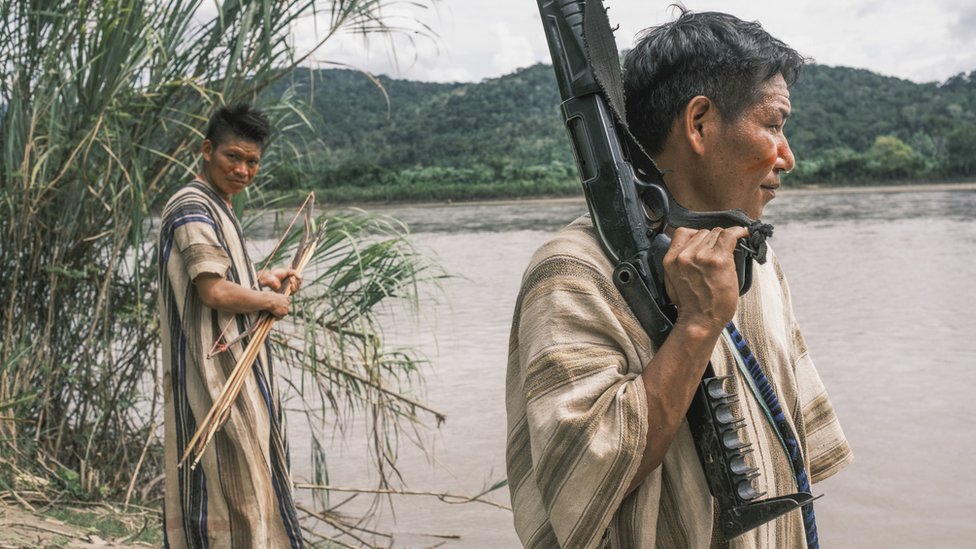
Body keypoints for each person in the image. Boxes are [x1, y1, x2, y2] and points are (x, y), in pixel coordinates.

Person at [506, 8, 852, 548]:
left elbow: (795, 456)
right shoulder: (574, 272)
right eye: (774, 125)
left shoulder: (751, 260)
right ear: (698, 123)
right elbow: (578, 484)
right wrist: (697, 326)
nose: (788, 156)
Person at [158, 103, 304, 548]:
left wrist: (263, 281)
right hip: (211, 379)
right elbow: (214, 292)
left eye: (252, 161)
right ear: (207, 150)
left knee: (247, 485)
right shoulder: (191, 205)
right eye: (233, 157)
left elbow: (226, 281)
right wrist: (269, 301)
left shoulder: (217, 206)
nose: (242, 169)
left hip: (233, 376)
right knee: (225, 490)